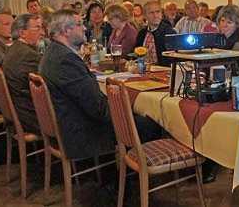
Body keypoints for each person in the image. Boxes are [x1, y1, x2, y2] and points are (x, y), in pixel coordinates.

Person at [40, 9, 161, 160]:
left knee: (138, 113)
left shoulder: (53, 52)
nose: (84, 28)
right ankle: (134, 177)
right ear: (66, 30)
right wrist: (127, 107)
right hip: (83, 132)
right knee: (153, 122)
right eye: (79, 24)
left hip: (70, 122)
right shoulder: (65, 60)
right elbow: (99, 109)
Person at [2, 13, 44, 133]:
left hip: (17, 110)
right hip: (30, 116)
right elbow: (48, 88)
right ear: (22, 33)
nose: (42, 33)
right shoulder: (29, 56)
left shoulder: (13, 49)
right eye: (37, 28)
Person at [136, 1, 177, 66]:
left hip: (162, 70)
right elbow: (136, 53)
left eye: (158, 12)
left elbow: (172, 59)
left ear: (161, 14)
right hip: (143, 69)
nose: (155, 16)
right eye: (151, 13)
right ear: (145, 16)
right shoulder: (142, 33)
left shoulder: (169, 33)